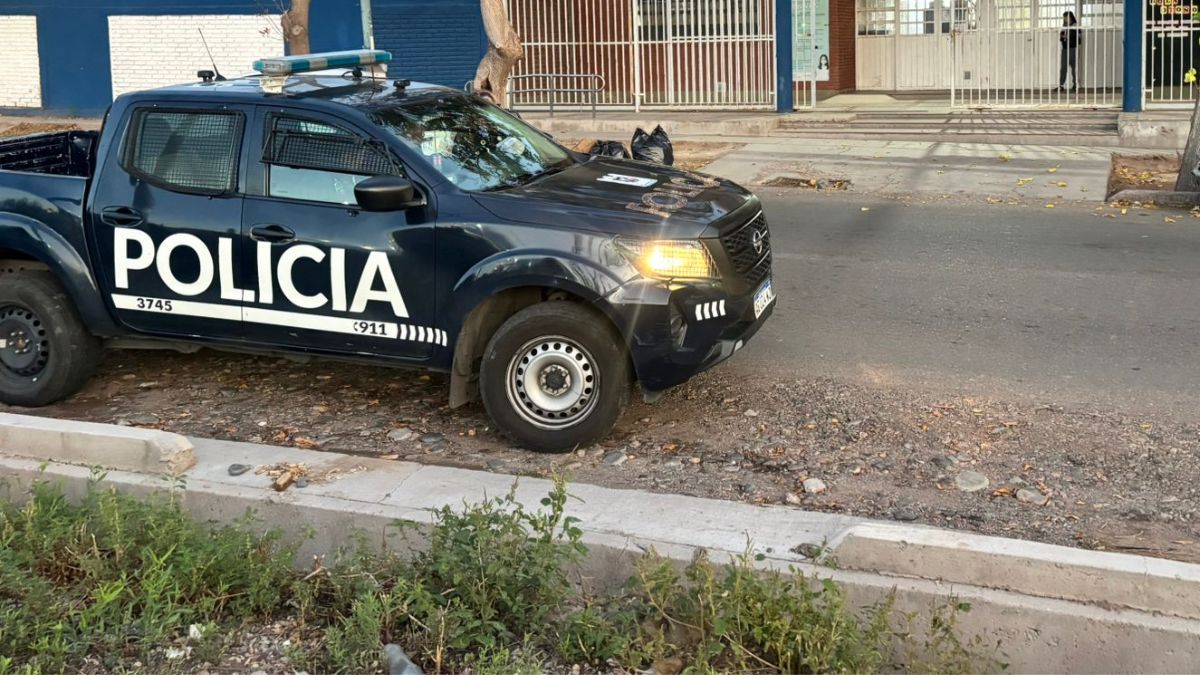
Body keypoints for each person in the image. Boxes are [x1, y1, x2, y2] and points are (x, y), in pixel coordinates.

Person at [1059, 11, 1080, 92]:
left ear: (1071, 17)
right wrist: (1064, 37)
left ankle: (1075, 85)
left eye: (1066, 17)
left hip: (1073, 49)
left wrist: (1067, 37)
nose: (1065, 19)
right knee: (1063, 68)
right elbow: (1061, 38)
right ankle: (1061, 85)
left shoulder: (1075, 26)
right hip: (1065, 49)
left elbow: (1078, 39)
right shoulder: (1064, 26)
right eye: (1064, 17)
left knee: (1075, 68)